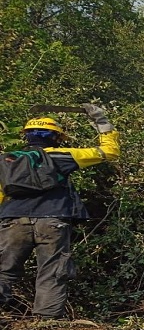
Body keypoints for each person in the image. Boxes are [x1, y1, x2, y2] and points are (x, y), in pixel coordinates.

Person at [0, 106, 120, 318]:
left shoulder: (8, 160)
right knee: (52, 272)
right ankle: (45, 325)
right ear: (57, 137)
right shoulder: (63, 155)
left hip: (13, 221)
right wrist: (102, 121)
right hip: (52, 222)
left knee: (3, 272)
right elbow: (109, 152)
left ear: (26, 136)